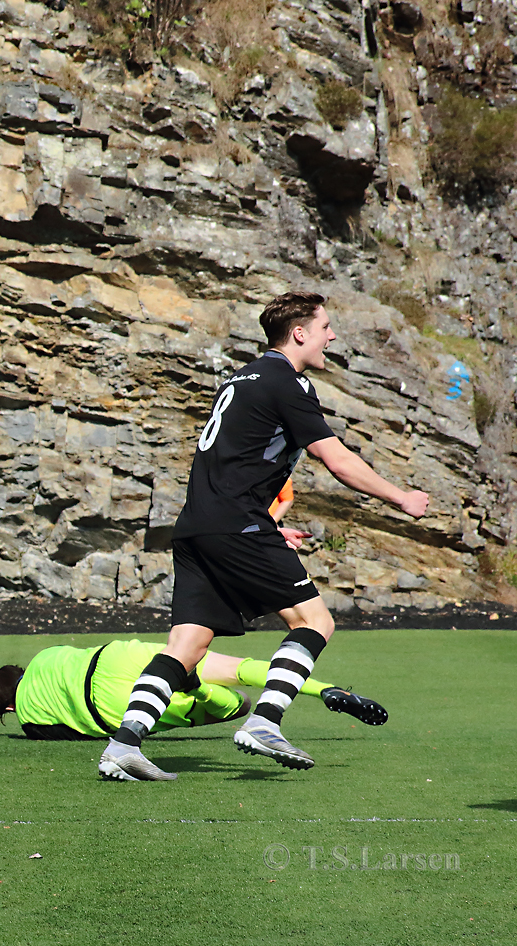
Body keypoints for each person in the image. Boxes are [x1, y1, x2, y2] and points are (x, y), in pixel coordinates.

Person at [98, 291, 429, 781]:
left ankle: (123, 745)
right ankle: (264, 722)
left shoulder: (241, 377)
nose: (331, 336)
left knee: (186, 646)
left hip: (197, 528)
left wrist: (266, 523)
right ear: (299, 333)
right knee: (314, 622)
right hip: (237, 524)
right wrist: (400, 497)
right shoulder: (288, 383)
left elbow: (233, 463)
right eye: (325, 327)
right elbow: (335, 459)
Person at [0, 640, 388, 741]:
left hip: (108, 705)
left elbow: (74, 734)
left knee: (233, 708)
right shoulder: (46, 655)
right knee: (238, 668)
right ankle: (326, 689)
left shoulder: (28, 719)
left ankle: (195, 691)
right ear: (19, 669)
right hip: (115, 657)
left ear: (7, 704)